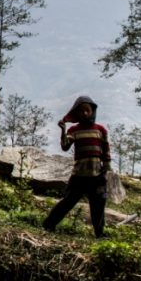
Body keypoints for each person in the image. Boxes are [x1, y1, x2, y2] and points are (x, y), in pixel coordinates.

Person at [43, 95, 111, 238]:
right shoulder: (73, 130)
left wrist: (107, 166)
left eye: (87, 110)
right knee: (68, 201)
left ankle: (100, 233)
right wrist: (63, 130)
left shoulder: (101, 130)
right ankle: (49, 224)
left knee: (98, 204)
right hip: (79, 175)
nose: (84, 113)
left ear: (92, 111)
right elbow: (65, 147)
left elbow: (105, 149)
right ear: (76, 114)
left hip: (97, 174)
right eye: (81, 111)